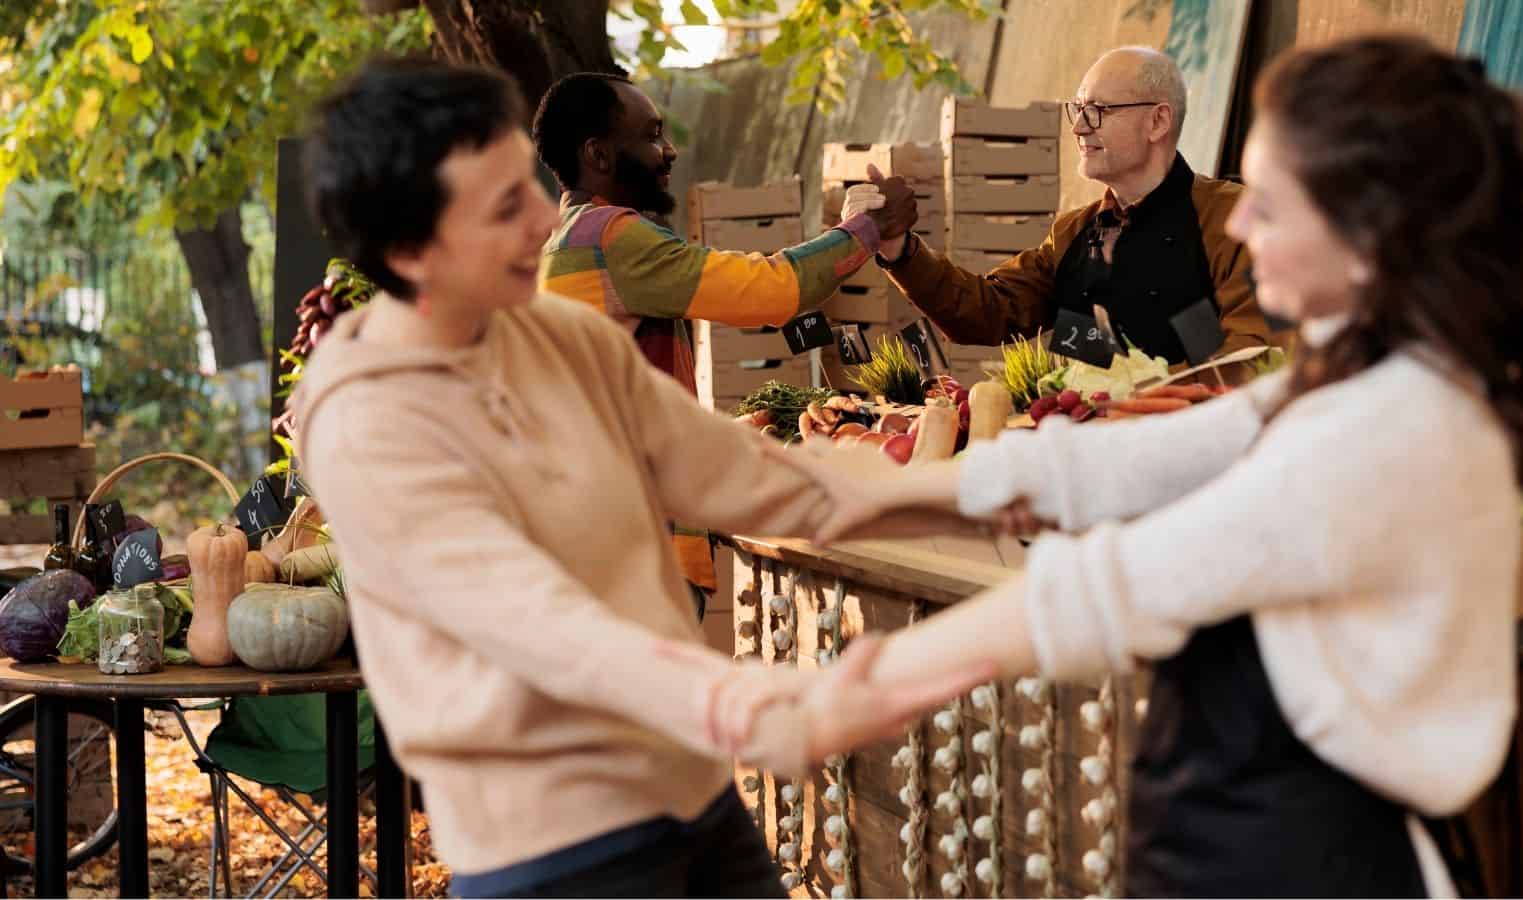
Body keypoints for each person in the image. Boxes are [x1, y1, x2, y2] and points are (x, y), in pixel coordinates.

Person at [751, 35, 1523, 896]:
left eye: (1274, 204)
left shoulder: (1387, 428)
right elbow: (1129, 460)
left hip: (1316, 861)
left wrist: (856, 692)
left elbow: (1120, 585)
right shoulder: (1368, 373)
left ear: (1364, 229)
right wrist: (880, 487)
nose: (1247, 224)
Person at [292, 58, 986, 898]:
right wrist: (747, 706)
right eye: (505, 205)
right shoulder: (368, 423)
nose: (544, 219)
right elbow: (540, 624)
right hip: (555, 854)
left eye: (529, 185)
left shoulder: (558, 336)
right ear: (409, 250)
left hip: (695, 801)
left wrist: (1006, 493)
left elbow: (756, 477)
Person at [532, 71, 917, 598]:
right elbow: (770, 291)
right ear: (598, 155)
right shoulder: (611, 238)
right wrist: (867, 230)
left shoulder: (560, 247)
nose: (667, 151)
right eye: (649, 136)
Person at [858, 46, 1287, 368]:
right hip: (1082, 453)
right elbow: (989, 311)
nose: (1080, 127)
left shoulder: (1233, 221)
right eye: (1078, 109)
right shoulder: (1073, 234)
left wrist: (1131, 402)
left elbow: (1251, 360)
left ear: (1158, 121)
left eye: (1099, 110)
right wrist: (900, 250)